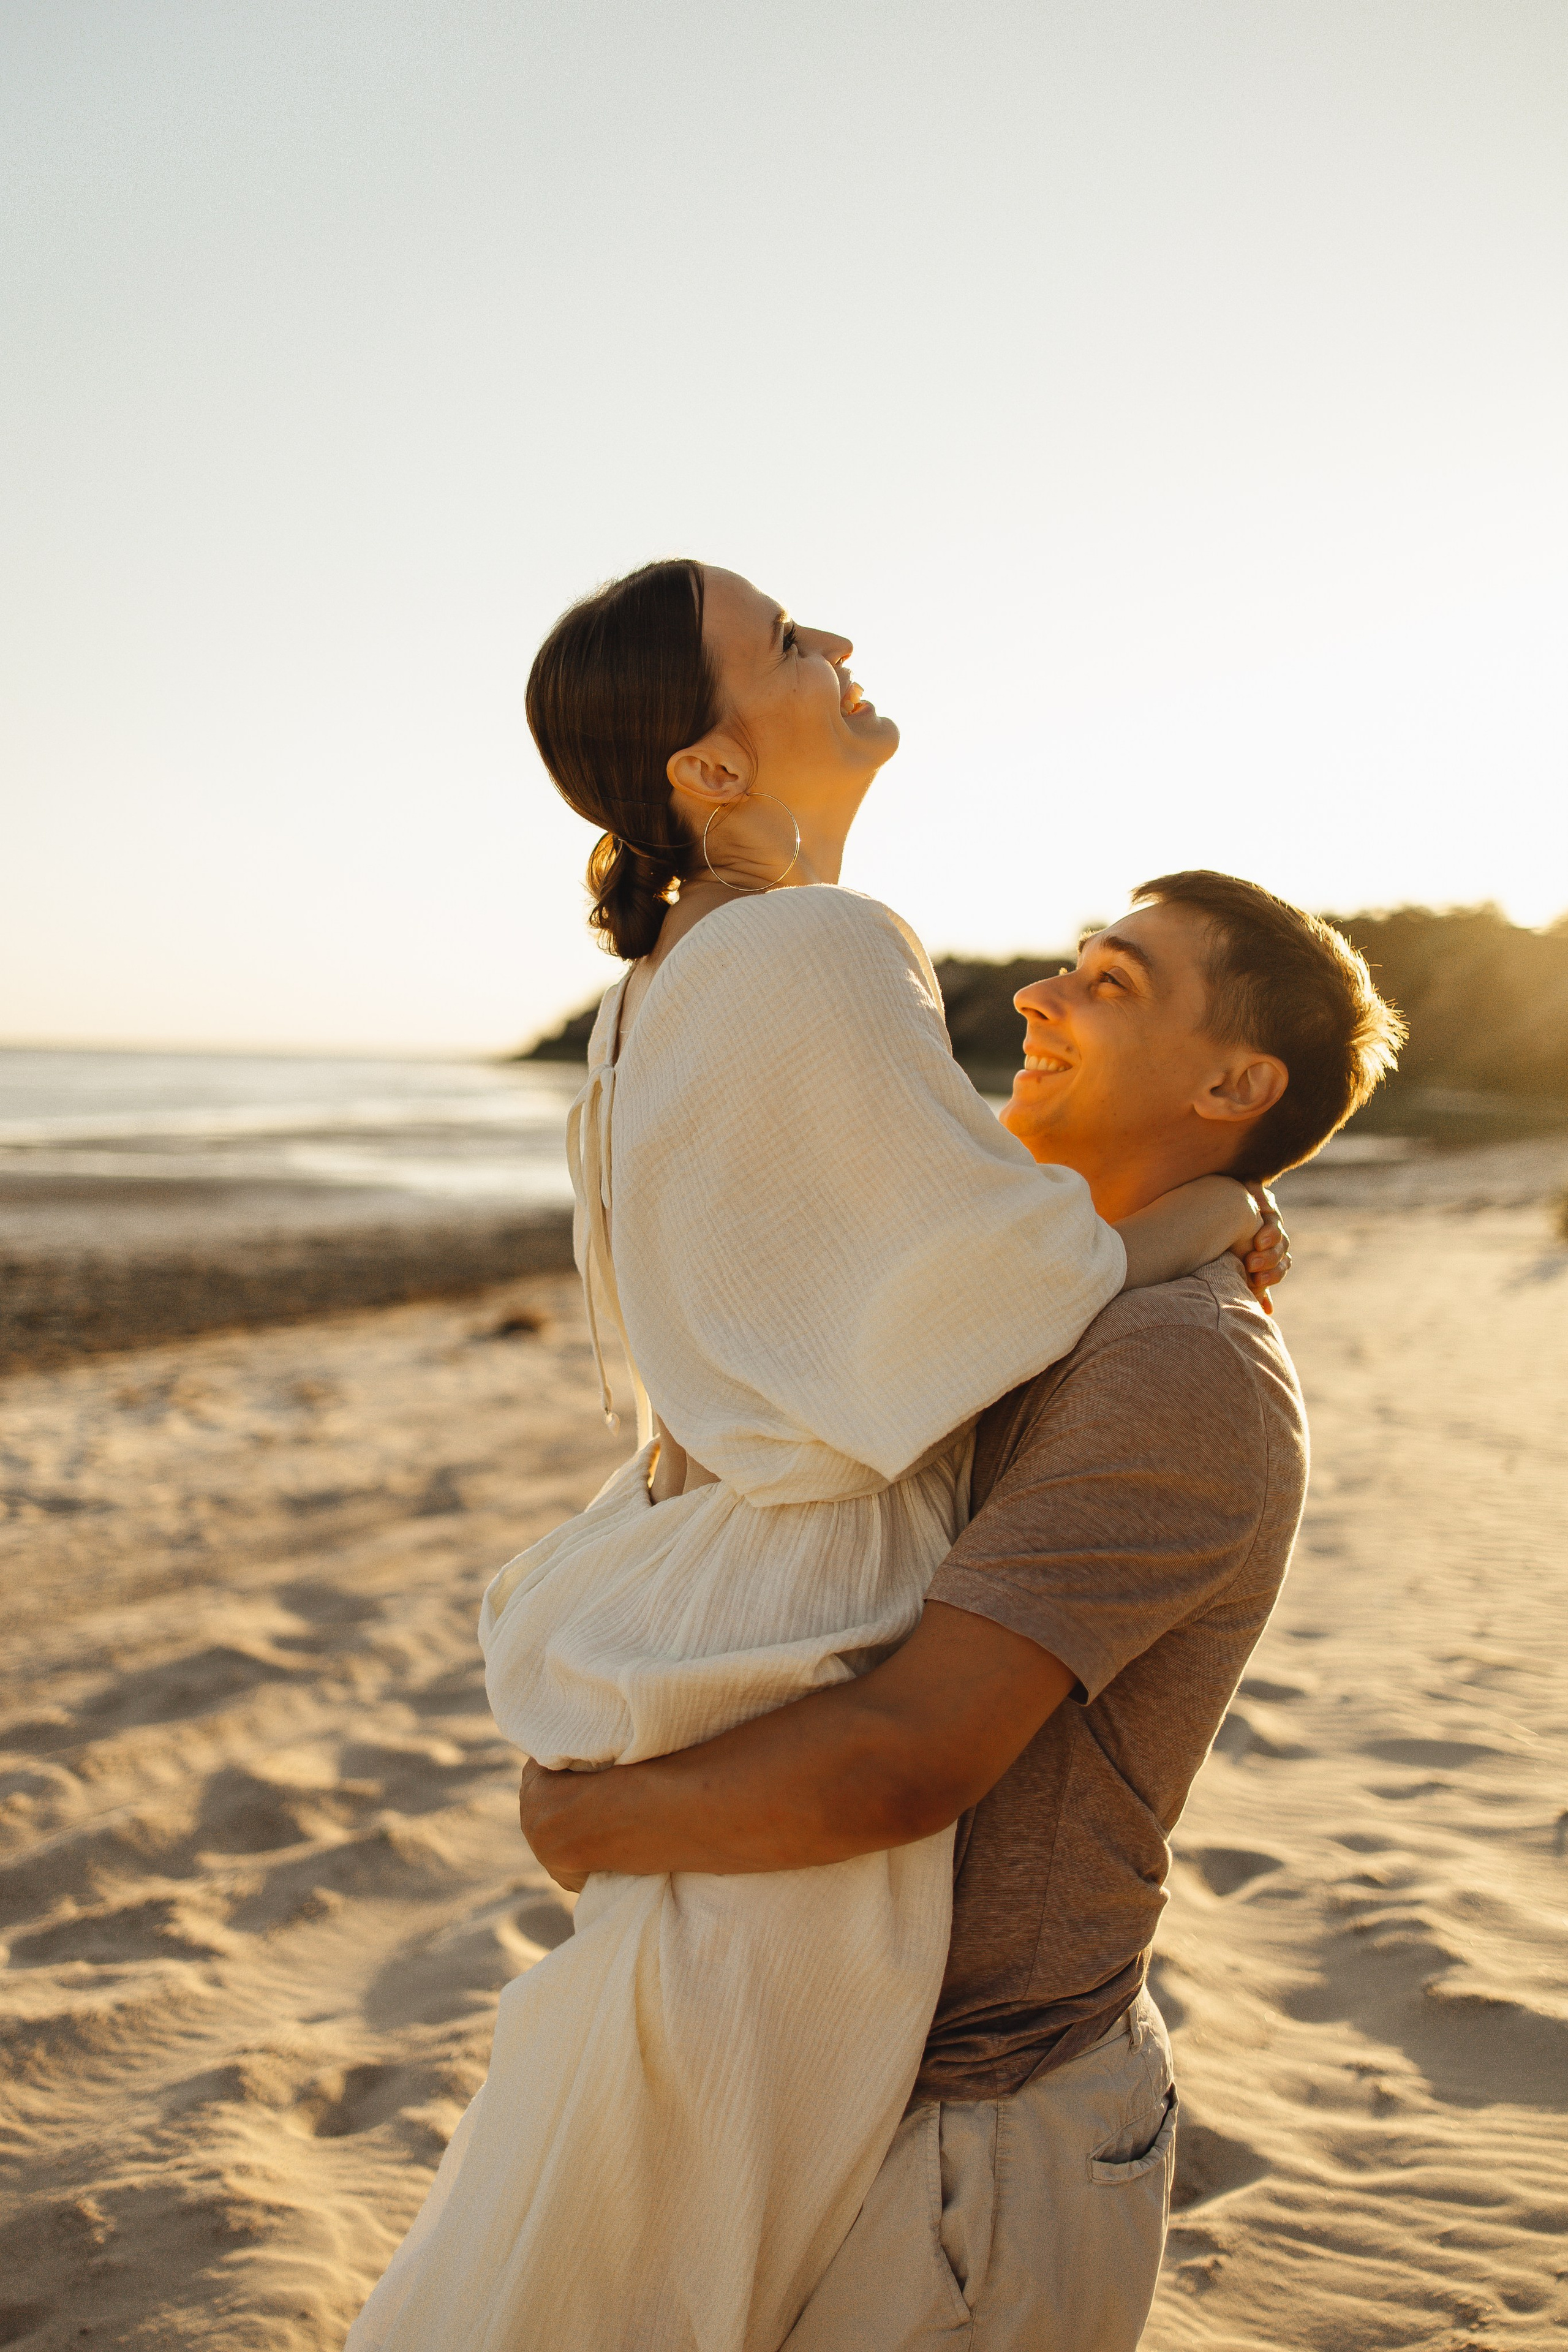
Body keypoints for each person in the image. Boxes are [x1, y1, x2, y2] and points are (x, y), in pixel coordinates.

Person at [344, 562, 1284, 2352]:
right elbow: (996, 1284)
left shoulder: (661, 990)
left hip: (721, 1604)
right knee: (720, 2216)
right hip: (814, 1612)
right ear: (704, 770)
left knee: (662, 2184)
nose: (840, 645)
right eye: (789, 643)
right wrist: (1215, 1218)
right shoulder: (815, 947)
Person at [519, 869, 1406, 2351]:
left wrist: (581, 1826)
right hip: (820, 2080)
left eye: (1111, 985)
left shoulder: (1174, 1366)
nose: (1038, 1001)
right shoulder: (1032, 1301)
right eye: (1067, 965)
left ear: (1235, 1081)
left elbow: (907, 1758)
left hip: (972, 2137)